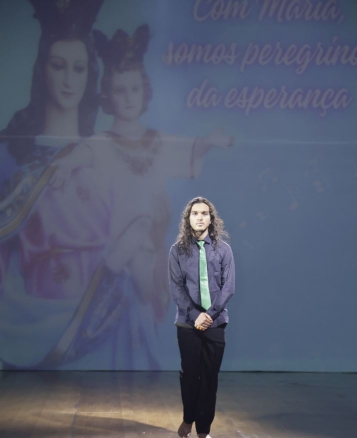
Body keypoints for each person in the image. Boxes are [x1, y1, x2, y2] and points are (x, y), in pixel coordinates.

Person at [48, 25, 234, 369]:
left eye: (134, 88)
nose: (128, 97)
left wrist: (208, 143)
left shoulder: (157, 142)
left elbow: (188, 152)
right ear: (108, 95)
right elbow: (80, 155)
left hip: (150, 252)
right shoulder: (103, 143)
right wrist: (65, 165)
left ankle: (143, 378)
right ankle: (121, 378)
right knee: (123, 326)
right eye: (120, 90)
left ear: (144, 91)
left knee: (145, 320)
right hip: (119, 252)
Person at [0, 0, 105, 369]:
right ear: (41, 69)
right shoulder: (9, 151)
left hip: (93, 315)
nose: (68, 79)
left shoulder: (102, 154)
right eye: (58, 66)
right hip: (18, 310)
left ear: (90, 75)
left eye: (78, 68)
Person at [169, 197, 235, 438]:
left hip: (215, 322)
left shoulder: (223, 250)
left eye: (204, 213)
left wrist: (210, 315)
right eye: (195, 213)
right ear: (188, 219)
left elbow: (228, 287)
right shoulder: (177, 250)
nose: (199, 217)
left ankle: (204, 427)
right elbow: (176, 287)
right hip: (188, 322)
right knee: (190, 374)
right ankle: (189, 417)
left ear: (211, 218)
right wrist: (196, 315)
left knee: (209, 376)